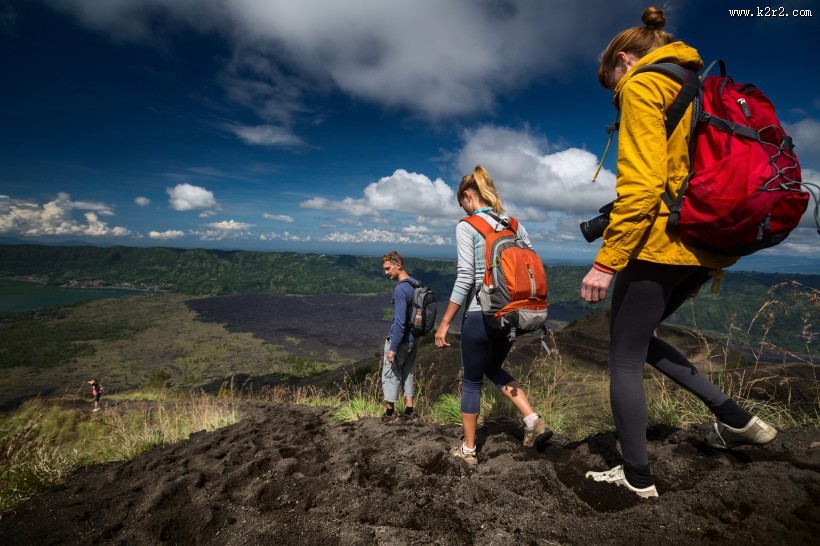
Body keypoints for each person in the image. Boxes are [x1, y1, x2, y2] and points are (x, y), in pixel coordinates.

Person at [581, 6, 777, 498]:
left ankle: (637, 477)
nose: (614, 97)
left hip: (662, 243)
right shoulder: (696, 85)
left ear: (625, 60)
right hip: (704, 245)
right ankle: (736, 419)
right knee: (639, 338)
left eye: (612, 85)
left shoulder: (644, 85)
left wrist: (607, 260)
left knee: (623, 355)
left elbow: (643, 186)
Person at [435, 165, 552, 465]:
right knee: (493, 367)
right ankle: (532, 420)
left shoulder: (467, 225)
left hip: (480, 314)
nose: (462, 208)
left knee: (473, 381)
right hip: (512, 316)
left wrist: (445, 322)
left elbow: (465, 278)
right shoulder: (514, 225)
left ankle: (469, 450)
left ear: (468, 195)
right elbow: (532, 266)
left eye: (461, 202)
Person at [379, 251, 419, 424]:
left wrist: (393, 347)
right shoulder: (415, 284)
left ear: (399, 265)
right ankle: (410, 411)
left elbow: (400, 321)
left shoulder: (401, 289)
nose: (386, 272)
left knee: (391, 373)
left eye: (388, 268)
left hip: (401, 340)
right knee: (408, 372)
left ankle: (390, 413)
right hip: (414, 338)